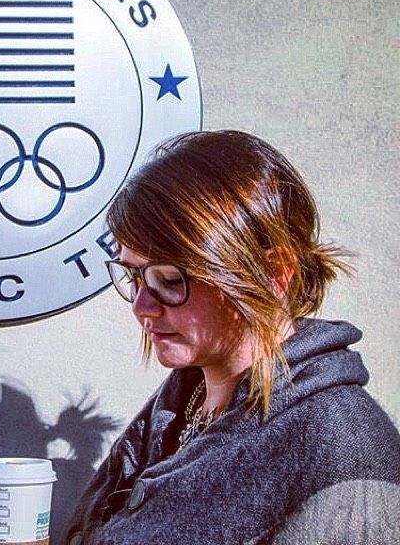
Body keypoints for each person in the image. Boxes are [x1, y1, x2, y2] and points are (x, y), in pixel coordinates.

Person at [61, 130, 400, 545]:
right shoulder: (179, 406)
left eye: (170, 279)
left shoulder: (342, 454)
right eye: (134, 276)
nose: (142, 306)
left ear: (273, 273)